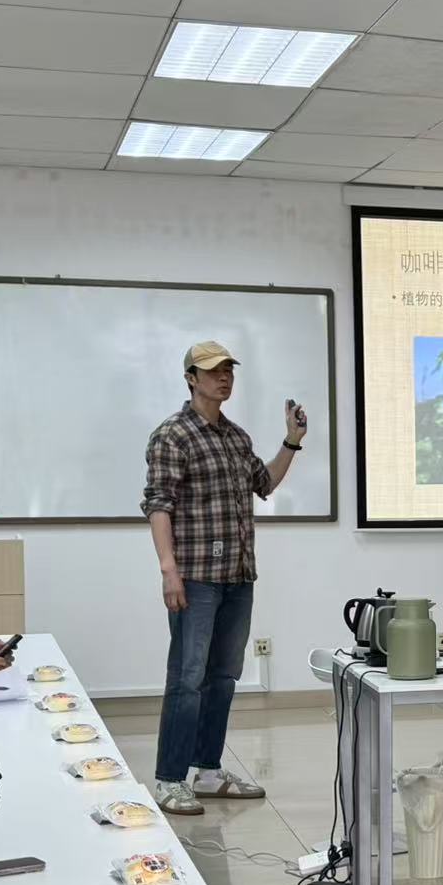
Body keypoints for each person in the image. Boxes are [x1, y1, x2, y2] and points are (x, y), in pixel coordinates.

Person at [142, 341, 307, 816]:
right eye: (213, 371)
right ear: (191, 378)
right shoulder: (172, 435)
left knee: (223, 677)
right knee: (187, 678)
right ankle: (169, 779)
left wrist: (291, 441)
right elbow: (158, 504)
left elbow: (264, 483)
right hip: (195, 577)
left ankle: (208, 772)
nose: (224, 377)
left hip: (237, 576)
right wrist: (168, 570)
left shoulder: (235, 437)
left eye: (228, 370)